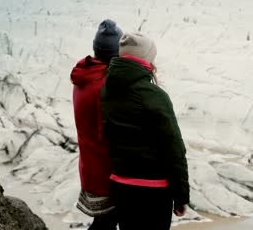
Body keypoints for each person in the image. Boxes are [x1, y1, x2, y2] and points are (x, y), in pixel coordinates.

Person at [100, 32, 189, 229]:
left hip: (120, 187)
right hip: (152, 192)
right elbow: (174, 149)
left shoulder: (106, 89)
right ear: (147, 59)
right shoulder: (153, 95)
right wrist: (181, 195)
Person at [71, 19, 123, 230]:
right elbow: (111, 132)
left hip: (91, 164)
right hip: (105, 169)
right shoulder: (102, 85)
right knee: (106, 223)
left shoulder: (85, 76)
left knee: (104, 223)